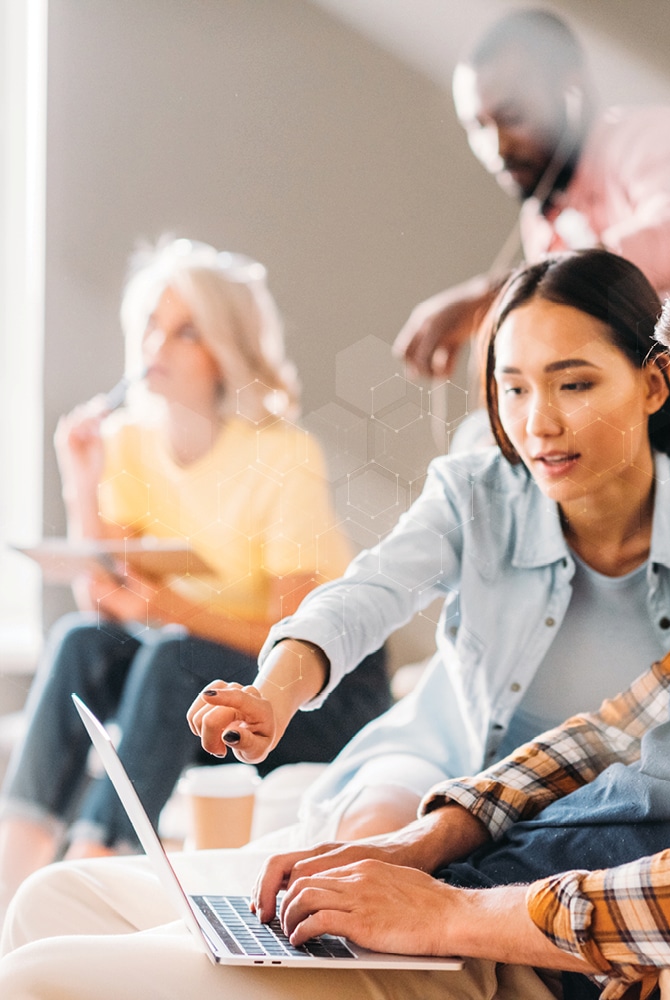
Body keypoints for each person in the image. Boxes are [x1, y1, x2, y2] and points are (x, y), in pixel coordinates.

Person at [4, 205, 670, 1000]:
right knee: (59, 898)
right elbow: (621, 726)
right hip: (474, 894)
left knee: (43, 978)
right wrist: (431, 835)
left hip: (521, 954)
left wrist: (431, 914)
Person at [191, 248, 670, 843]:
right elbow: (368, 593)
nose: (539, 423)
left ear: (654, 384)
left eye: (574, 384)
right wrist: (270, 695)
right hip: (449, 762)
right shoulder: (475, 493)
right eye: (513, 389)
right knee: (363, 853)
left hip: (616, 799)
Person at [0, 238, 391, 913]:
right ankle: (15, 867)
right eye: (153, 323)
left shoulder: (282, 455)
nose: (160, 343)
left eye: (186, 331)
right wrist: (81, 479)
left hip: (311, 691)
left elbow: (288, 630)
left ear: (224, 353)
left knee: (175, 656)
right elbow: (110, 600)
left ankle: (96, 861)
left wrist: (171, 609)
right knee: (79, 641)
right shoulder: (128, 442)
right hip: (201, 684)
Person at [394, 7, 670, 382]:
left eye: (512, 116)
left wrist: (496, 291)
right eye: (478, 126)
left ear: (571, 92)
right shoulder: (543, 217)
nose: (497, 147)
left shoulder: (653, 136)